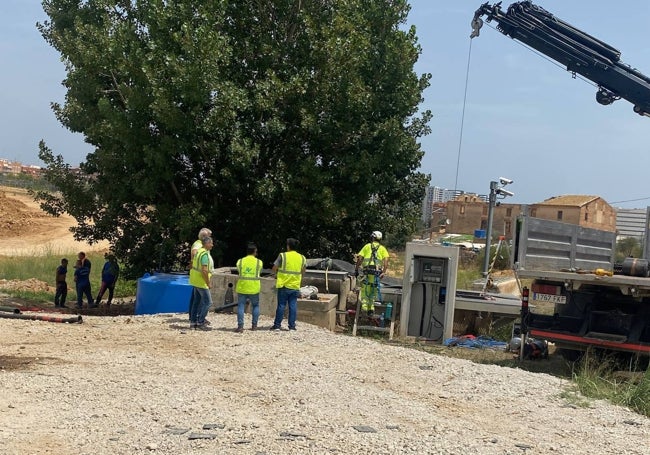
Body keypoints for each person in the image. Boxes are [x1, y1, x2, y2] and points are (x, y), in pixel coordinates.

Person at [271, 238, 306, 331]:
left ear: (288, 246)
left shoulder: (283, 256)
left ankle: (277, 326)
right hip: (295, 285)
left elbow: (274, 267)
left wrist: (276, 274)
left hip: (283, 285)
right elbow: (303, 271)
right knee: (293, 305)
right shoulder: (302, 257)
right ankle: (292, 326)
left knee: (281, 305)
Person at [355, 231, 389, 316]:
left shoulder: (367, 246)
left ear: (372, 238)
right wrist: (383, 272)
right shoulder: (382, 249)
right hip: (377, 273)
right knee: (373, 290)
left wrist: (356, 269)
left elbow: (359, 259)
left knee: (365, 288)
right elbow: (386, 262)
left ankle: (364, 307)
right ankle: (371, 308)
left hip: (367, 272)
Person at [235, 243, 263, 332]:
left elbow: (239, 271)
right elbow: (259, 271)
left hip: (242, 286)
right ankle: (254, 326)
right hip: (254, 287)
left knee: (241, 306)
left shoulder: (240, 261)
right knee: (255, 306)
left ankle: (240, 326)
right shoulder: (259, 262)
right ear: (255, 252)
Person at [189, 236, 214, 330]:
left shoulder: (198, 252)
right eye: (211, 243)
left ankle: (193, 322)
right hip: (201, 282)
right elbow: (204, 270)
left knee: (196, 302)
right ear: (206, 244)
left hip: (194, 280)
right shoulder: (204, 255)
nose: (212, 245)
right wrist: (208, 283)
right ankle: (200, 322)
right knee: (208, 302)